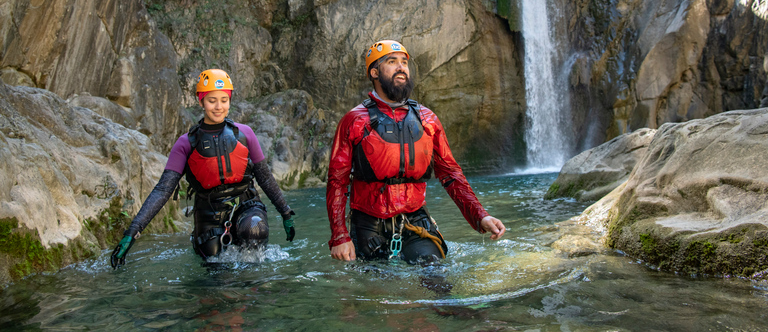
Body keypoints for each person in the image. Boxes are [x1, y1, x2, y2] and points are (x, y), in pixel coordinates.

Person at [326, 40, 505, 263]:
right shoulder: (354, 121)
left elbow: (450, 173)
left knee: (437, 280)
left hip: (416, 221)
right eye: (392, 62)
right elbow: (337, 181)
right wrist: (339, 236)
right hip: (368, 226)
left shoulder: (428, 119)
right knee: (375, 295)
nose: (401, 67)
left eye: (404, 62)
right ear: (374, 72)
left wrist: (480, 215)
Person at [110, 69, 295, 268]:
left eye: (224, 100)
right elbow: (164, 190)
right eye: (212, 100)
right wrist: (132, 232)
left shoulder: (246, 134)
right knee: (217, 270)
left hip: (246, 204)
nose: (218, 107)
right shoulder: (185, 143)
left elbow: (265, 178)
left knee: (255, 229)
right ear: (201, 102)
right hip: (209, 212)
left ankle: (252, 289)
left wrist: (285, 213)